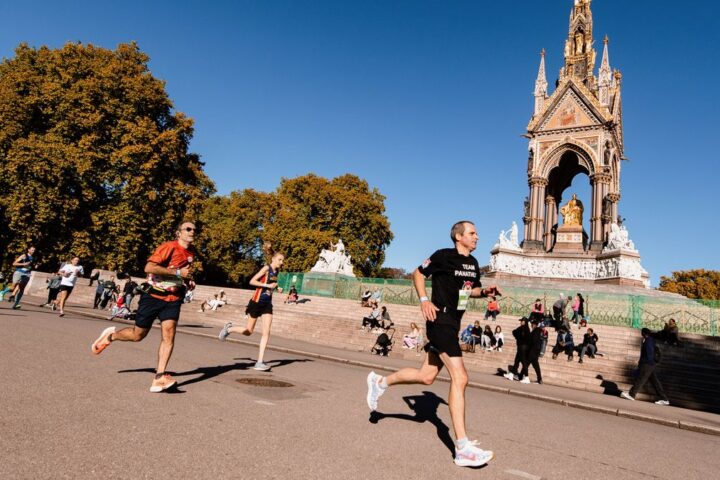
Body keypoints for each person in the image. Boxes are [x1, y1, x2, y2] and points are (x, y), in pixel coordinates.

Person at [365, 220, 499, 468]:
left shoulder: (472, 264)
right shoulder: (442, 256)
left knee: (426, 376)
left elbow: (470, 291)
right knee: (460, 378)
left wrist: (486, 291)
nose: (477, 237)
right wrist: (424, 300)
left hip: (453, 322)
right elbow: (418, 274)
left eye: (477, 233)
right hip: (439, 320)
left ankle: (379, 381)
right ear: (459, 237)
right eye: (472, 233)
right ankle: (462, 448)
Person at [91, 221, 198, 393]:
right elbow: (149, 267)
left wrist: (187, 281)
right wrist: (178, 273)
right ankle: (111, 336)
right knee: (137, 335)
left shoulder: (190, 254)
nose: (192, 231)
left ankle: (159, 377)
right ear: (179, 232)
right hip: (153, 296)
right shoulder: (168, 247)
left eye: (194, 229)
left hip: (173, 298)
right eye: (188, 229)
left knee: (169, 335)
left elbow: (179, 273)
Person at [218, 242, 285, 371]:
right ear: (273, 259)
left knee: (267, 332)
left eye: (282, 260)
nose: (281, 262)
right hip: (256, 302)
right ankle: (229, 329)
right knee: (248, 331)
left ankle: (259, 362)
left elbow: (271, 285)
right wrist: (267, 286)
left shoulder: (277, 271)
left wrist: (277, 288)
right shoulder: (266, 268)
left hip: (267, 304)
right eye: (279, 259)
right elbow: (252, 281)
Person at [621, 328, 670, 405]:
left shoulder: (648, 340)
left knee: (640, 379)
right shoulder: (648, 340)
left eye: (642, 332)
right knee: (655, 382)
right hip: (649, 364)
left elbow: (649, 353)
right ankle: (664, 399)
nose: (641, 333)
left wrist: (647, 363)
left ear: (644, 333)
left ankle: (631, 394)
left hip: (647, 364)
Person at [522, 318, 544, 384]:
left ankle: (522, 376)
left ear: (534, 325)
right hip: (535, 351)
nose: (531, 325)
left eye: (532, 324)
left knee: (526, 364)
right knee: (535, 366)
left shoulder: (536, 331)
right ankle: (539, 379)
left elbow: (533, 340)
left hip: (533, 351)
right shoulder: (537, 331)